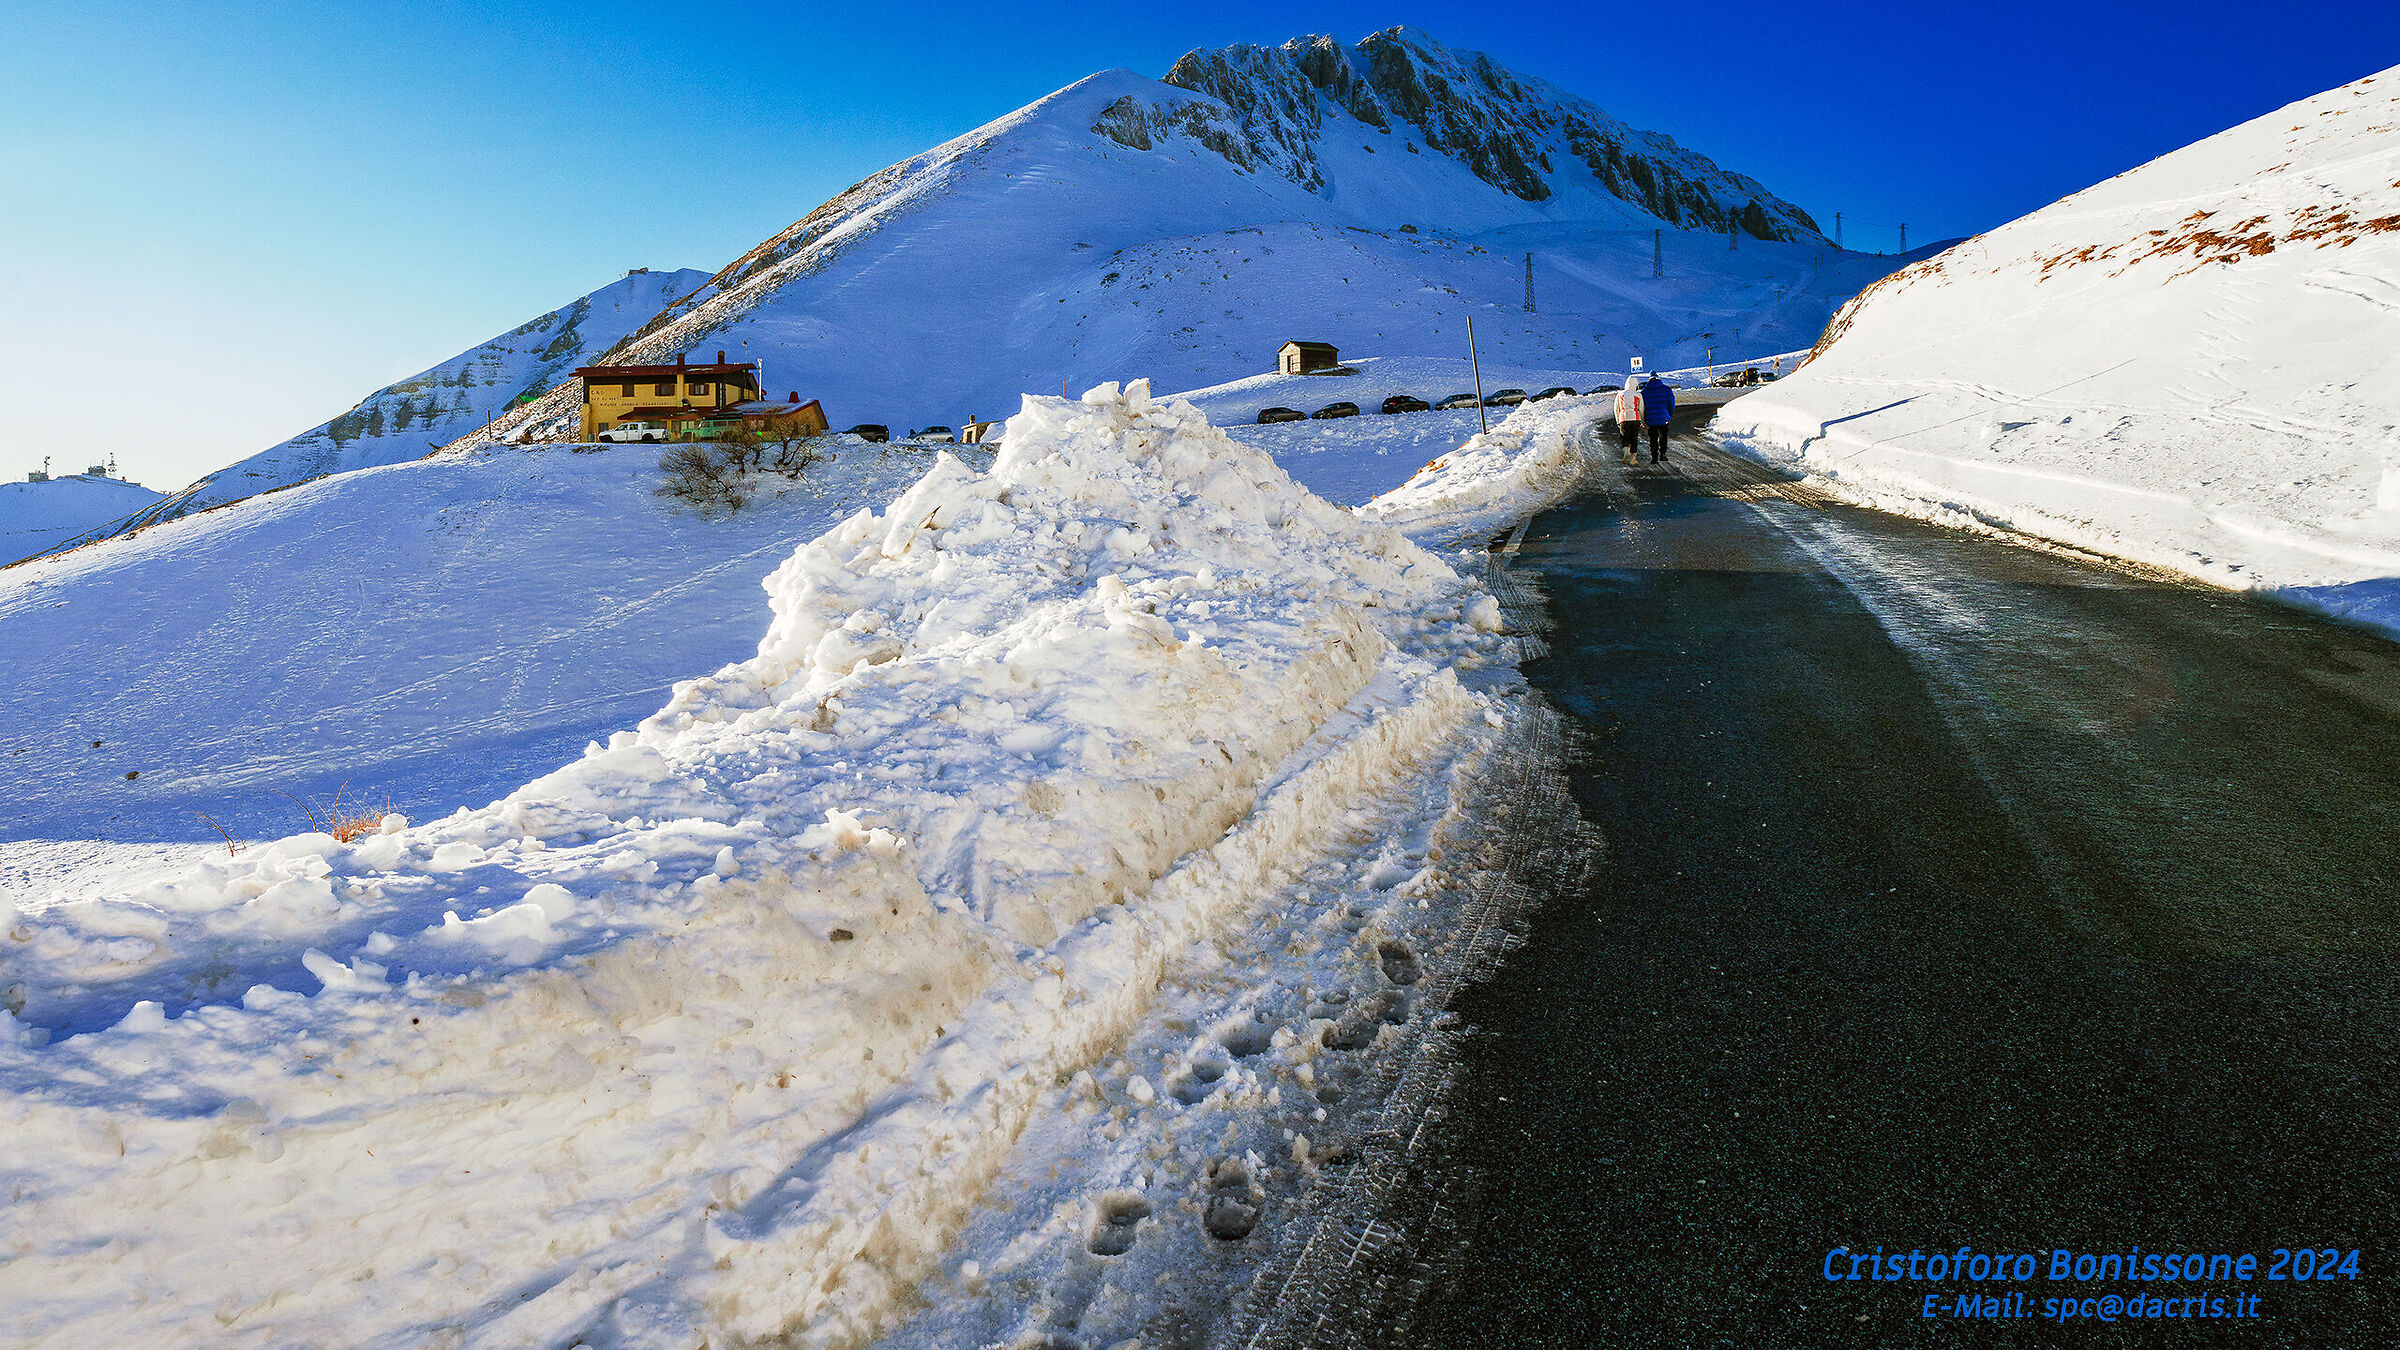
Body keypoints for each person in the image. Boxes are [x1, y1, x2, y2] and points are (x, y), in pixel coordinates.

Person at [1641, 372, 1676, 464]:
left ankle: (1654, 457)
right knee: (1663, 437)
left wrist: (1644, 419)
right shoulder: (1667, 390)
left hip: (1650, 419)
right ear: (1658, 379)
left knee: (1653, 439)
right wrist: (1669, 415)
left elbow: (1641, 407)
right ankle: (1663, 454)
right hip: (1663, 418)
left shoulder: (1644, 392)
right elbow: (1671, 404)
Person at [1612, 380, 1644, 463]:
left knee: (1624, 437)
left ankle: (1626, 451)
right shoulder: (1638, 394)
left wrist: (1618, 421)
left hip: (1624, 418)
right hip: (1635, 418)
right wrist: (1642, 420)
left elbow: (1616, 409)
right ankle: (1633, 458)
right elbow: (1641, 408)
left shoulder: (1620, 394)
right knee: (1634, 438)